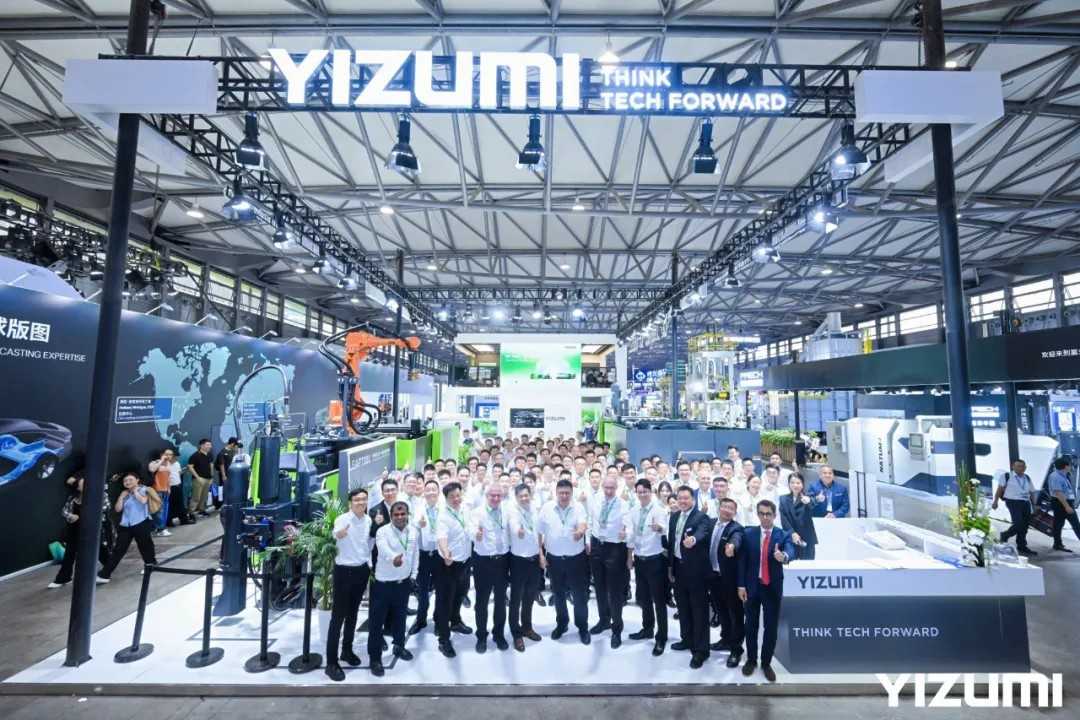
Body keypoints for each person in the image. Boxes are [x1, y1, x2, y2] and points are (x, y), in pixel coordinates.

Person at [738, 499, 796, 682]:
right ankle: (751, 660)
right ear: (758, 515)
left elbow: (791, 551)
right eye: (761, 514)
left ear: (774, 515)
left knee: (770, 627)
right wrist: (741, 585)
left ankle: (766, 663)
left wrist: (783, 556)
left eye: (768, 514)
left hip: (772, 587)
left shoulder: (782, 535)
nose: (765, 517)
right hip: (752, 586)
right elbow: (742, 561)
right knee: (751, 625)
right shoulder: (749, 534)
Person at [323, 488, 372, 682]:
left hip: (361, 571)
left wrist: (367, 564)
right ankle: (331, 663)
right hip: (344, 572)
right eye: (357, 500)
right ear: (350, 502)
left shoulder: (368, 520)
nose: (361, 503)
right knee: (338, 618)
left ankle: (347, 651)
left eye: (364, 499)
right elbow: (336, 533)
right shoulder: (342, 519)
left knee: (353, 614)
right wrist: (339, 534)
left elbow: (368, 544)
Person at [368, 501, 419, 676]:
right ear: (390, 515)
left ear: (407, 514)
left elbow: (415, 554)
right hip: (383, 584)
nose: (399, 517)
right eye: (396, 514)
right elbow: (383, 549)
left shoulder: (413, 531)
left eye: (403, 513)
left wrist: (413, 575)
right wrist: (393, 558)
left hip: (403, 583)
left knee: (400, 618)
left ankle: (399, 646)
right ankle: (375, 658)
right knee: (377, 622)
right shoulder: (382, 531)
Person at [538, 479, 591, 645]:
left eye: (567, 493)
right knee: (558, 594)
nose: (564, 496)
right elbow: (539, 532)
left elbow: (583, 524)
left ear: (572, 493)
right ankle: (562, 623)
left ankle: (582, 626)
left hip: (576, 559)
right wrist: (540, 554)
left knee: (579, 595)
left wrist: (580, 532)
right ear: (556, 493)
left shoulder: (578, 507)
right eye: (561, 493)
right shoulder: (547, 508)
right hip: (554, 560)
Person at [667, 485, 714, 668]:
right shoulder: (674, 516)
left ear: (693, 500)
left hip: (696, 571)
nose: (683, 501)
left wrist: (693, 540)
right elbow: (672, 543)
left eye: (686, 498)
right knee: (683, 607)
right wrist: (670, 567)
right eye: (680, 498)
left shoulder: (701, 517)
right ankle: (686, 639)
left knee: (699, 610)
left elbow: (702, 532)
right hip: (678, 568)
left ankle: (701, 650)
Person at [587, 475, 631, 648]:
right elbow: (590, 521)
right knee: (599, 587)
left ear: (616, 488)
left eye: (612, 488)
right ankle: (604, 620)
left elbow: (629, 526)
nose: (609, 491)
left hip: (615, 548)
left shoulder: (623, 504)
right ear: (602, 486)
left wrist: (626, 534)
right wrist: (588, 541)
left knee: (615, 591)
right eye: (606, 487)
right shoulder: (596, 501)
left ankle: (617, 628)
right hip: (597, 546)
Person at [626, 478, 669, 656]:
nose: (642, 494)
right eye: (639, 492)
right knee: (643, 598)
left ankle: (662, 637)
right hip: (640, 559)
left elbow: (665, 530)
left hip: (655, 559)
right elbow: (631, 534)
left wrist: (659, 528)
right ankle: (647, 628)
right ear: (636, 493)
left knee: (659, 600)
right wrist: (629, 556)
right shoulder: (634, 510)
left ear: (651, 492)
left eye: (645, 491)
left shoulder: (659, 510)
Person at [469, 482, 512, 653]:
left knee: (501, 600)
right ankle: (481, 636)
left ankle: (498, 634)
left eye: (498, 495)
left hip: (502, 561)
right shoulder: (477, 512)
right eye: (492, 495)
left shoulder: (507, 511)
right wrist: (476, 535)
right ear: (486, 496)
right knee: (482, 601)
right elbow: (471, 529)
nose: (495, 498)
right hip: (483, 561)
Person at [49, 474, 110, 588]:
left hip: (92, 528)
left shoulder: (101, 495)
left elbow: (104, 509)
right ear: (78, 487)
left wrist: (80, 517)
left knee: (100, 551)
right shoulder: (73, 497)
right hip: (74, 529)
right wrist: (70, 516)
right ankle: (63, 578)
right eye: (82, 484)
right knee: (69, 553)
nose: (85, 486)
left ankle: (109, 569)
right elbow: (64, 511)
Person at [434, 481, 473, 658]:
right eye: (452, 497)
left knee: (460, 594)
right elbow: (441, 537)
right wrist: (445, 553)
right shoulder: (443, 516)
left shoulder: (465, 510)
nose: (456, 499)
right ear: (446, 498)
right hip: (448, 564)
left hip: (464, 561)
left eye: (458, 495)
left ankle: (456, 621)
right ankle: (443, 639)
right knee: (445, 602)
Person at [97, 473, 157, 583]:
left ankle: (150, 565)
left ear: (137, 480)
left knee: (145, 546)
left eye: (130, 480)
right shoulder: (125, 493)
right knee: (118, 550)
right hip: (125, 525)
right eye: (125, 481)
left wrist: (135, 492)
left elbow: (143, 501)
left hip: (141, 522)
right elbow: (117, 509)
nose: (127, 482)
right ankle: (105, 574)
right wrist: (121, 497)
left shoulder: (143, 489)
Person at [707, 497, 745, 667]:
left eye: (731, 508)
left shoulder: (736, 528)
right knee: (720, 610)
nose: (727, 510)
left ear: (734, 512)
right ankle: (726, 639)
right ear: (719, 508)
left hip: (729, 578)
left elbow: (737, 539)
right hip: (712, 576)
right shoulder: (710, 523)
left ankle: (736, 649)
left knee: (735, 613)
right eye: (725, 507)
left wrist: (732, 547)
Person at [508, 483, 543, 652]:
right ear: (516, 497)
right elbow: (514, 527)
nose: (524, 498)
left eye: (526, 495)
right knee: (516, 599)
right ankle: (516, 633)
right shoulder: (513, 512)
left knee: (530, 596)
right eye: (520, 496)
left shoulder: (535, 509)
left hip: (534, 560)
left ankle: (527, 627)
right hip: (518, 561)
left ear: (530, 495)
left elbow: (539, 533)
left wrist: (541, 554)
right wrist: (518, 531)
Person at [409, 479, 442, 635]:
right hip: (423, 555)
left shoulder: (444, 509)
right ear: (424, 492)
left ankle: (438, 620)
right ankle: (421, 620)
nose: (431, 492)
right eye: (428, 490)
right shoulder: (418, 509)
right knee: (422, 591)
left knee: (441, 589)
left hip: (439, 554)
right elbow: (412, 530)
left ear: (438, 492)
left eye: (434, 489)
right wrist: (418, 525)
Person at [993, 459, 1037, 556]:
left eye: (1023, 466)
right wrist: (995, 501)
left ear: (1025, 468)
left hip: (1025, 502)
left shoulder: (1027, 478)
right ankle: (1005, 535)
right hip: (1013, 502)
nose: (1021, 468)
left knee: (1025, 525)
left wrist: (1034, 505)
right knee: (1018, 523)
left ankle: (1022, 545)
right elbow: (999, 489)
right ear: (1013, 467)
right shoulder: (1006, 476)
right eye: (1018, 466)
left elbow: (1032, 492)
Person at [779, 473, 819, 560]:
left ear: (803, 484)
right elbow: (784, 519)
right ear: (789, 484)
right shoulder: (783, 499)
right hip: (790, 537)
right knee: (790, 563)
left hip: (807, 538)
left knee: (807, 565)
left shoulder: (809, 497)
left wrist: (809, 502)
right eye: (792, 482)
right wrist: (792, 533)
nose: (795, 485)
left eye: (798, 483)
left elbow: (813, 507)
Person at [1047, 457, 1080, 552]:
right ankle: (1057, 544)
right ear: (1065, 466)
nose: (1071, 467)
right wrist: (1067, 506)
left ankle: (1057, 544)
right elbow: (1058, 493)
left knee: (1059, 524)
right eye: (1070, 465)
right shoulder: (1056, 476)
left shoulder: (1063, 475)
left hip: (1064, 502)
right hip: (1061, 503)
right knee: (1074, 524)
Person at [148, 448, 179, 536]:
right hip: (156, 489)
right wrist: (161, 460)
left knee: (163, 510)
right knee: (156, 510)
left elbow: (168, 477)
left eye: (170, 454)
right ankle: (160, 529)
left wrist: (168, 488)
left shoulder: (168, 464)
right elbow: (152, 470)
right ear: (162, 454)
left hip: (165, 490)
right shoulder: (154, 462)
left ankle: (160, 528)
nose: (168, 456)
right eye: (166, 454)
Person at [186, 439, 214, 518]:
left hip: (208, 479)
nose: (210, 446)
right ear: (201, 445)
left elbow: (211, 465)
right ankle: (191, 513)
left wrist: (212, 477)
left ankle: (202, 510)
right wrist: (198, 478)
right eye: (208, 445)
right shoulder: (195, 455)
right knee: (196, 497)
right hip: (198, 480)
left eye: (210, 445)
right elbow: (190, 467)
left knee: (204, 496)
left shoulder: (210, 454)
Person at [213, 437, 241, 511]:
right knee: (223, 489)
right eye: (236, 445)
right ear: (232, 444)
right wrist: (223, 475)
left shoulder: (232, 451)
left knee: (229, 489)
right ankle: (220, 505)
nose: (236, 447)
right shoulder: (222, 452)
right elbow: (221, 465)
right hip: (225, 474)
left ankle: (228, 503)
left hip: (231, 474)